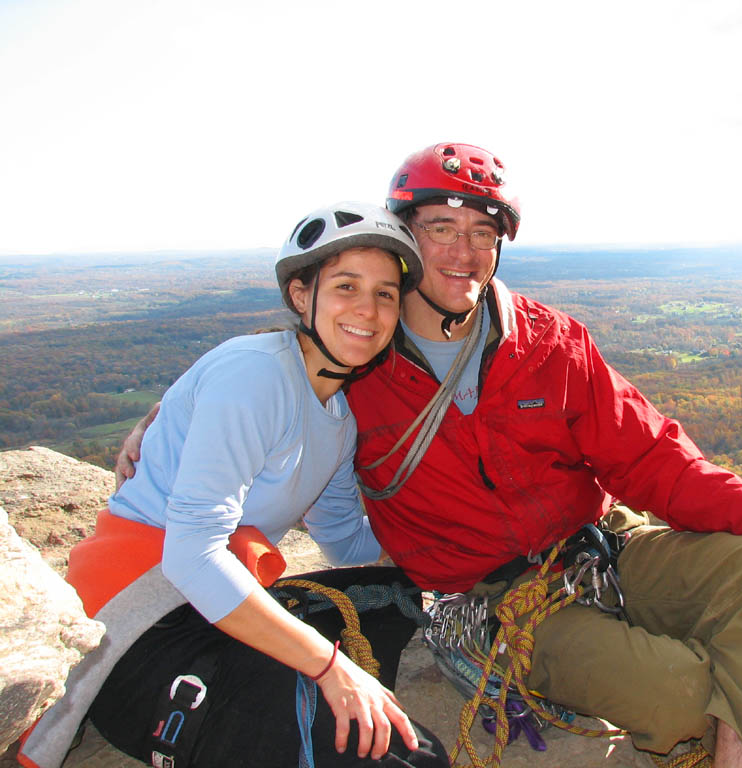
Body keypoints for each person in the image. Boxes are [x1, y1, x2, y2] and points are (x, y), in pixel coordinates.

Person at [117, 144, 742, 768]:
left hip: (601, 549)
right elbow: (281, 373)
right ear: (405, 236)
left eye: (482, 231)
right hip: (503, 601)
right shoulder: (363, 363)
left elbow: (644, 455)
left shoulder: (549, 342)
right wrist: (166, 417)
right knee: (675, 699)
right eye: (440, 229)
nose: (463, 250)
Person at [21, 203, 449, 768]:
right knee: (406, 760)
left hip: (209, 608)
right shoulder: (255, 374)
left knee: (394, 604)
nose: (368, 311)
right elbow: (193, 554)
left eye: (386, 294)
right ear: (302, 295)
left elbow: (347, 541)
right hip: (134, 623)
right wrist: (329, 666)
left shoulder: (339, 418)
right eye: (347, 286)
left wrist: (451, 550)